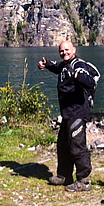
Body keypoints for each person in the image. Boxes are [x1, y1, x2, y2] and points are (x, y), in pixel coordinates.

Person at [38, 40, 95, 192]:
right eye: (62, 51)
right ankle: (64, 176)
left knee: (77, 147)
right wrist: (47, 64)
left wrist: (77, 75)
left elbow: (89, 82)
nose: (64, 53)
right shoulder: (64, 64)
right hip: (67, 114)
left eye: (67, 50)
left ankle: (84, 181)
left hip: (77, 113)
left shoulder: (79, 65)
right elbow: (58, 67)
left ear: (74, 50)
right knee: (63, 145)